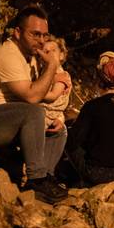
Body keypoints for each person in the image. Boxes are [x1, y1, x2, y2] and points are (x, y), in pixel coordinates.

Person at [0, 6, 68, 203]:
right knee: (33, 112)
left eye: (44, 35)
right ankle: (36, 179)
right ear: (17, 32)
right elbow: (33, 97)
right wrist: (52, 65)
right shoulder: (9, 54)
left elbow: (44, 96)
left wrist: (59, 117)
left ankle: (44, 176)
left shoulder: (31, 58)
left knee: (58, 130)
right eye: (35, 34)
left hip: (5, 121)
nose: (41, 41)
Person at [65, 51, 114, 186]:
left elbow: (75, 140)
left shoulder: (92, 107)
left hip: (98, 174)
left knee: (65, 135)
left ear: (98, 77)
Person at [39, 37, 72, 178]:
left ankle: (45, 173)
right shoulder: (44, 71)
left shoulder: (62, 75)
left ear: (62, 55)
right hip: (43, 111)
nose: (50, 53)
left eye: (53, 50)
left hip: (49, 113)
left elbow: (52, 96)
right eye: (46, 51)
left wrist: (34, 89)